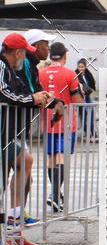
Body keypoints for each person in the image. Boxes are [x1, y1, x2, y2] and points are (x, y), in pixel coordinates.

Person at [0, 33, 51, 245]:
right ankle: (10, 230)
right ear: (18, 52)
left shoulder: (12, 69)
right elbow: (3, 93)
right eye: (24, 53)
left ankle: (13, 226)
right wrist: (32, 99)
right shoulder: (2, 65)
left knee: (25, 161)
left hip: (9, 133)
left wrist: (40, 98)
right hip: (3, 133)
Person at [19, 30, 65, 225]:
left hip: (19, 128)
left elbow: (38, 93)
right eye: (46, 43)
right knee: (21, 174)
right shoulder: (25, 65)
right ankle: (15, 217)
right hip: (11, 128)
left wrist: (57, 103)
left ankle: (18, 215)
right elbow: (31, 94)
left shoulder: (32, 66)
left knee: (26, 176)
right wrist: (49, 101)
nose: (49, 47)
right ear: (37, 46)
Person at [39, 42, 83, 213]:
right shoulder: (70, 74)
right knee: (61, 157)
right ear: (65, 56)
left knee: (51, 158)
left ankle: (55, 194)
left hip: (47, 121)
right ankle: (55, 195)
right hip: (65, 122)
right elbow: (78, 101)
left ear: (50, 56)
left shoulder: (41, 73)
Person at [75, 58, 97, 142]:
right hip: (80, 97)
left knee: (91, 115)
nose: (80, 68)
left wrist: (91, 90)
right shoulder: (75, 74)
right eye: (79, 67)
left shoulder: (88, 74)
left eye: (82, 67)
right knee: (84, 115)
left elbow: (92, 83)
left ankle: (93, 133)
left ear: (85, 67)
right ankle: (88, 134)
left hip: (88, 96)